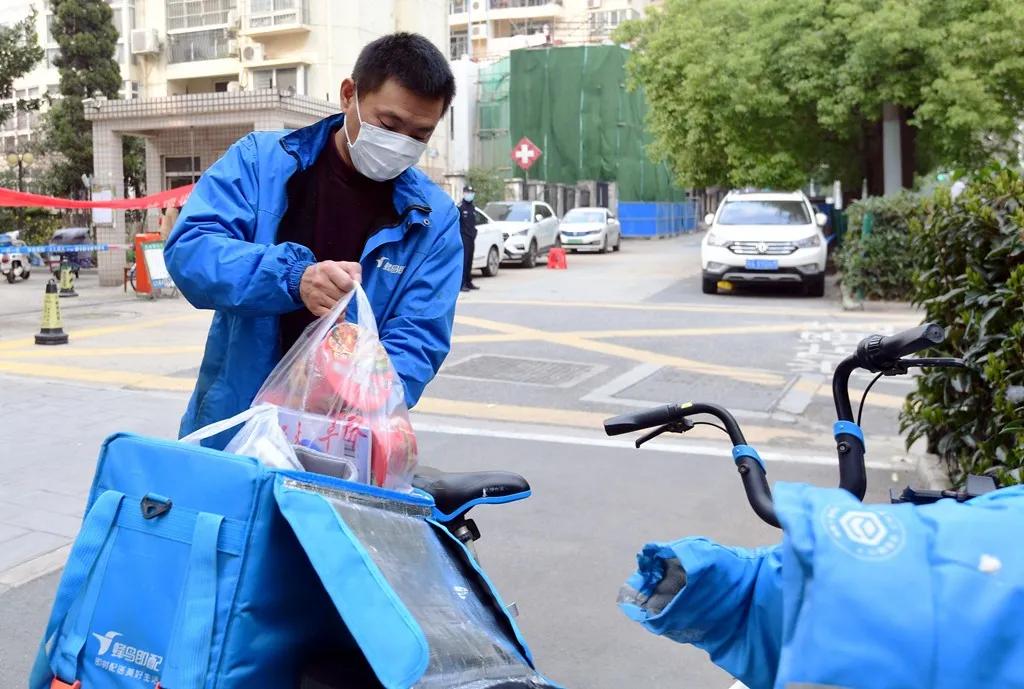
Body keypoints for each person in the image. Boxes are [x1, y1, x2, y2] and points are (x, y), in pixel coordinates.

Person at [164, 32, 462, 446]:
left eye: (420, 135)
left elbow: (420, 336)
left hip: (342, 442)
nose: (401, 144)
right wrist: (292, 278)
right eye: (389, 125)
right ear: (348, 95)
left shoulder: (433, 219)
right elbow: (191, 251)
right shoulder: (260, 162)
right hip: (234, 426)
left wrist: (353, 400)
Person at [459, 185, 479, 292]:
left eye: (471, 192)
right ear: (464, 193)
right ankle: (462, 284)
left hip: (471, 238)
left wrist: (474, 233)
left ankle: (468, 281)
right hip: (463, 238)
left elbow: (474, 223)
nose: (470, 194)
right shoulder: (460, 207)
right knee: (464, 261)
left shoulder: (473, 208)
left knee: (470, 261)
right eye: (468, 192)